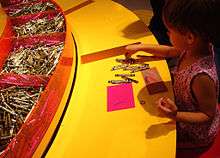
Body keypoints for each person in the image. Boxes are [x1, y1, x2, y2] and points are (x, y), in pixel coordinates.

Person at [125, 0, 220, 148]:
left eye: (169, 31)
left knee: (149, 141)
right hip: (181, 106)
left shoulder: (202, 77)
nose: (167, 34)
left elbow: (207, 115)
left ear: (189, 37)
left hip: (195, 132)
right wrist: (142, 47)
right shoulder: (193, 47)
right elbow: (169, 51)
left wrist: (175, 115)